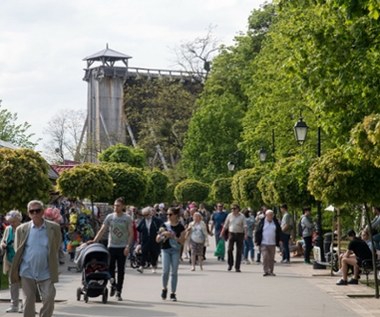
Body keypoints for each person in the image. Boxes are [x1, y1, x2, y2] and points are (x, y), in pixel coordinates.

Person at [10, 200, 61, 317]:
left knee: (49, 297)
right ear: (28, 214)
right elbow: (18, 248)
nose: (35, 213)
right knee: (28, 301)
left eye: (37, 210)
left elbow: (56, 245)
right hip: (27, 271)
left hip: (46, 270)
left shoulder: (54, 227)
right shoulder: (21, 229)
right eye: (32, 211)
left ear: (42, 211)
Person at [89, 197, 133, 301]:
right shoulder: (110, 217)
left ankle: (119, 291)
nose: (115, 207)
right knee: (110, 268)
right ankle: (113, 285)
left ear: (122, 206)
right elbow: (102, 229)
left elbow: (131, 233)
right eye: (114, 205)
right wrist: (94, 241)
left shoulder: (127, 218)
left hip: (122, 247)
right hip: (111, 246)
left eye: (118, 205)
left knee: (121, 270)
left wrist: (128, 246)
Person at [156, 207, 186, 302]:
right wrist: (163, 235)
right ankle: (164, 288)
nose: (168, 216)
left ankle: (173, 293)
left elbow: (182, 241)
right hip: (165, 249)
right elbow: (157, 239)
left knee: (174, 272)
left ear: (176, 215)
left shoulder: (181, 227)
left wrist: (173, 236)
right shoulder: (164, 225)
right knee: (165, 271)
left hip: (175, 250)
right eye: (167, 214)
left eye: (170, 214)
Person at [1, 210, 23, 313]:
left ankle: (25, 305)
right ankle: (14, 305)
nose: (12, 224)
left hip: (22, 260)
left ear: (19, 220)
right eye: (10, 222)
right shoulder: (8, 229)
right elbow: (3, 241)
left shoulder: (24, 228)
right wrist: (2, 245)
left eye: (14, 221)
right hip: (10, 260)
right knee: (13, 284)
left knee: (25, 284)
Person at [220, 204, 247, 272]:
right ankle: (230, 264)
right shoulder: (229, 215)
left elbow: (245, 226)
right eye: (232, 209)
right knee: (229, 249)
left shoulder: (242, 216)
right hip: (231, 233)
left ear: (238, 209)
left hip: (239, 234)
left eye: (234, 208)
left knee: (239, 251)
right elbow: (226, 225)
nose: (233, 210)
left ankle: (237, 267)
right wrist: (222, 233)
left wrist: (246, 234)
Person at [136, 206, 163, 273]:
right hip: (145, 240)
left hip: (154, 239)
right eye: (144, 215)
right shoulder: (143, 221)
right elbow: (139, 229)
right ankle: (141, 266)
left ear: (150, 213)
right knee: (144, 252)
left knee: (154, 253)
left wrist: (159, 233)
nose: (145, 216)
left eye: (146, 215)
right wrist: (139, 241)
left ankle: (153, 266)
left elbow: (161, 227)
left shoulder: (156, 220)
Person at [255, 209, 281, 276]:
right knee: (265, 256)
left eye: (272, 215)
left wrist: (280, 240)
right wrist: (256, 241)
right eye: (269, 215)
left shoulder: (275, 222)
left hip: (272, 243)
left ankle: (271, 271)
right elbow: (257, 232)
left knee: (271, 258)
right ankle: (266, 271)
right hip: (263, 243)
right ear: (266, 215)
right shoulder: (262, 222)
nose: (271, 216)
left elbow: (279, 231)